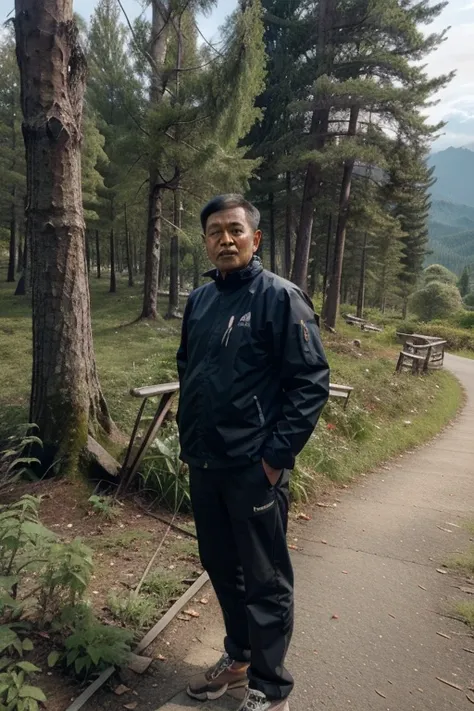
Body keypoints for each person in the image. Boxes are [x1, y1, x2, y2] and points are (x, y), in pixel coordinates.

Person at [176, 194, 330, 711]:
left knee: (265, 578)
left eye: (235, 230)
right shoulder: (199, 302)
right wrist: (190, 441)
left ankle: (270, 688)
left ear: (255, 238)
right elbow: (188, 370)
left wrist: (275, 457)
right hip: (205, 462)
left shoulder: (280, 298)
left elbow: (310, 382)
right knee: (220, 566)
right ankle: (238, 657)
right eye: (215, 231)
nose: (225, 239)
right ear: (205, 240)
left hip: (253, 468)